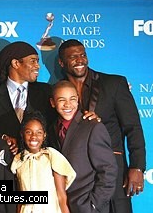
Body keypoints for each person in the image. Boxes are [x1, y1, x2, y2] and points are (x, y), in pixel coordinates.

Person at [58, 39, 146, 213]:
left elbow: (133, 127)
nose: (80, 60)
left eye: (83, 55)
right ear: (61, 62)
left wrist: (137, 166)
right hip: (77, 178)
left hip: (113, 170)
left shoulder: (114, 84)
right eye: (73, 57)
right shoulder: (57, 91)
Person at [48, 80, 118, 213]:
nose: (68, 104)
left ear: (78, 100)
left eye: (72, 99)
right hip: (61, 207)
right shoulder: (52, 129)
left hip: (87, 207)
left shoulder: (93, 126)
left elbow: (108, 170)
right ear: (52, 102)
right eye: (62, 100)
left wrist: (94, 205)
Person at [0, 41, 57, 143]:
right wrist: (3, 138)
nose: (38, 66)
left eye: (37, 61)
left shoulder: (47, 92)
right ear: (15, 63)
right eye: (32, 61)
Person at [11, 111, 76, 213]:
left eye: (39, 132)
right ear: (22, 134)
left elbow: (61, 196)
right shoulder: (18, 160)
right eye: (29, 132)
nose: (34, 136)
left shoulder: (51, 156)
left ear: (44, 135)